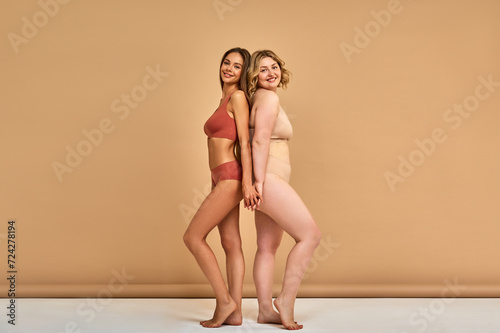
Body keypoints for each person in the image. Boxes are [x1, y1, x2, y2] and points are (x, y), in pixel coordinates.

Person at [183, 47, 261, 328]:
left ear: (243, 72)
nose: (228, 68)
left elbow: (245, 142)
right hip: (219, 177)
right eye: (226, 62)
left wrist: (248, 183)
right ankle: (236, 313)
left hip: (231, 176)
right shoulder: (223, 99)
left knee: (192, 237)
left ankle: (225, 302)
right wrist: (213, 180)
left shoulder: (238, 97)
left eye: (236, 66)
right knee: (230, 243)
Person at [247, 49, 322, 330]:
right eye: (263, 69)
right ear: (254, 75)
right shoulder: (269, 98)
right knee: (310, 236)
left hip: (267, 177)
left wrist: (256, 182)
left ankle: (265, 310)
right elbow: (260, 141)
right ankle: (286, 300)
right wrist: (259, 183)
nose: (271, 73)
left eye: (275, 66)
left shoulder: (257, 98)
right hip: (269, 177)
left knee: (267, 247)